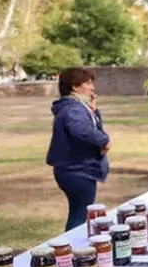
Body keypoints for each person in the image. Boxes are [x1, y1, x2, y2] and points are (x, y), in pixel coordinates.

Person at [46, 67, 111, 232]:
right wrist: (104, 141)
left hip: (76, 170)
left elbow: (93, 128)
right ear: (75, 87)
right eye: (88, 83)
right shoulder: (73, 109)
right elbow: (81, 130)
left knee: (79, 213)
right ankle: (71, 251)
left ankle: (71, 250)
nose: (92, 88)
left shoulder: (75, 107)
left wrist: (95, 112)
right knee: (79, 215)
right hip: (77, 170)